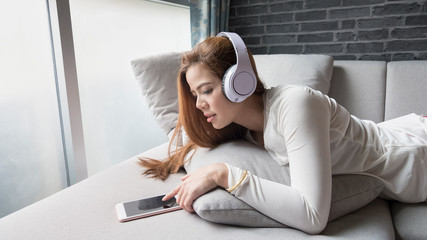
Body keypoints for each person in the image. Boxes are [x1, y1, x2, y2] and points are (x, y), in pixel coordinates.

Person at [139, 33, 427, 234]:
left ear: (240, 82)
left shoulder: (295, 105)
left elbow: (313, 217)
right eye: (194, 94)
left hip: (413, 157)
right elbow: (187, 138)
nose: (199, 104)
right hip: (393, 130)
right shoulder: (244, 128)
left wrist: (225, 175)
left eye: (206, 90)